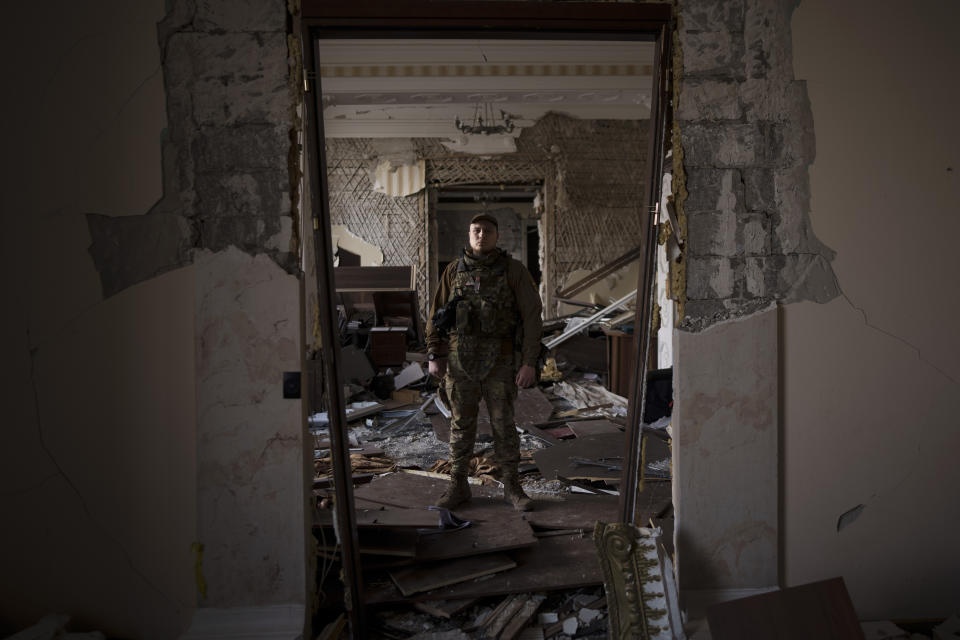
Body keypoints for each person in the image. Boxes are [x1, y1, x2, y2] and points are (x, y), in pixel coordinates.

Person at [426, 212, 543, 511]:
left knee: (503, 424)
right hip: (459, 359)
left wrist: (529, 361)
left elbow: (532, 317)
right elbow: (436, 314)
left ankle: (513, 487)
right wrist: (434, 354)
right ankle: (458, 484)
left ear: (496, 236)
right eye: (476, 230)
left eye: (487, 231)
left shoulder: (513, 271)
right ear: (469, 235)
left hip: (500, 360)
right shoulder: (454, 271)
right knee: (461, 424)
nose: (481, 235)